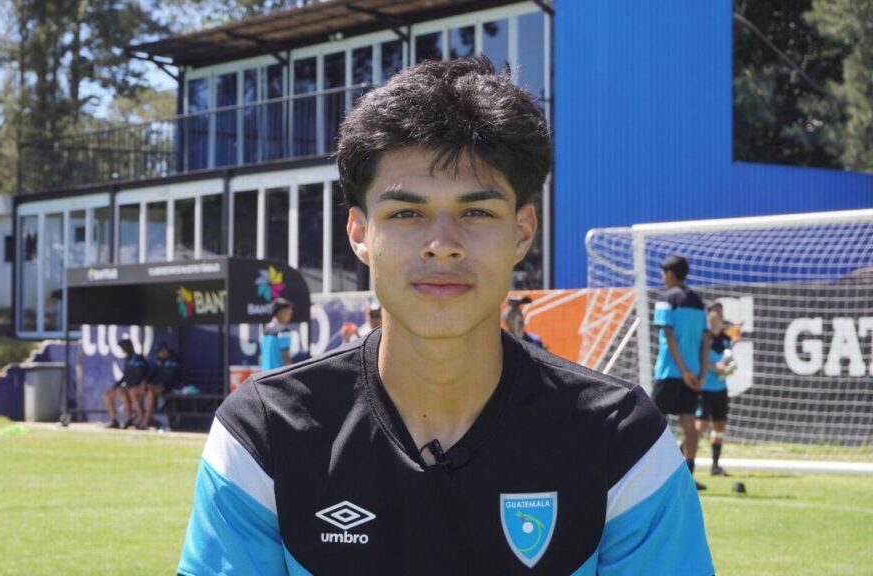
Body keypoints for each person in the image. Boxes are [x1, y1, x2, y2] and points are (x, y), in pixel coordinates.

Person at [177, 57, 712, 575]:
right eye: (406, 212)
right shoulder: (265, 432)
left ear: (522, 232)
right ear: (360, 233)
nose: (442, 243)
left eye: (475, 211)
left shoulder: (621, 438)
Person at [652, 255, 710, 490]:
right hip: (693, 375)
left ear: (670, 274)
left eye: (663, 273)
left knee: (653, 424)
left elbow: (668, 337)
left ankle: (654, 477)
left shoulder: (666, 299)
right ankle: (688, 476)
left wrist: (683, 370)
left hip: (670, 372)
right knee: (689, 425)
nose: (661, 278)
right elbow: (705, 341)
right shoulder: (698, 302)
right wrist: (701, 373)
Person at [696, 302, 734, 476]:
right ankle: (683, 459)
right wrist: (714, 367)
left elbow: (727, 360)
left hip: (721, 388)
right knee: (700, 427)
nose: (719, 314)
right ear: (708, 315)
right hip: (704, 388)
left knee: (720, 425)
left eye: (721, 311)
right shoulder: (703, 336)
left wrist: (729, 368)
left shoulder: (726, 339)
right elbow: (698, 359)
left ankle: (715, 466)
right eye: (715, 311)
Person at [130, 342, 181, 430]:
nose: (158, 354)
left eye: (160, 352)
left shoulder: (174, 361)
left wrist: (158, 386)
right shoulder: (158, 361)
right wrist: (145, 382)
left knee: (151, 391)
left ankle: (146, 421)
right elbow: (151, 374)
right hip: (155, 386)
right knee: (133, 391)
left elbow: (171, 378)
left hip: (170, 387)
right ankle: (141, 416)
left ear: (165, 351)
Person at [103, 338, 149, 429]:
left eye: (122, 348)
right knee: (107, 395)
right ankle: (114, 420)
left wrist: (134, 385)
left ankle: (131, 419)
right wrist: (116, 385)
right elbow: (125, 376)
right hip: (128, 386)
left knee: (123, 393)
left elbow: (142, 374)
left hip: (136, 387)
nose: (122, 350)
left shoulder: (138, 358)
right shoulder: (128, 359)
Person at [259, 298, 294, 371]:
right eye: (287, 311)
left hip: (264, 374)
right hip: (278, 375)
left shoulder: (265, 330)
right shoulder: (283, 331)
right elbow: (286, 358)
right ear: (279, 313)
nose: (290, 314)